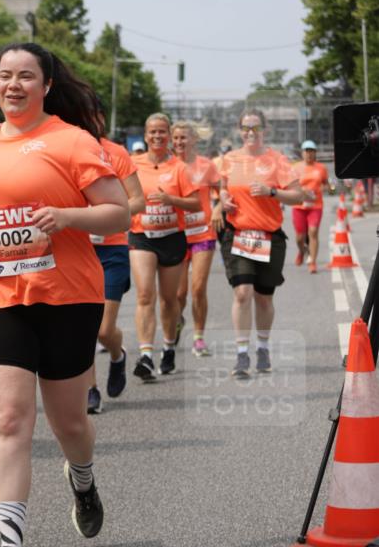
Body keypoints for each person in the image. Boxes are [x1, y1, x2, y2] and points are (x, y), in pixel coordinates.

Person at [0, 42, 129, 547]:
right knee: (9, 420)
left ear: (46, 86)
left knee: (70, 424)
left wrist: (67, 215)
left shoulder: (72, 141)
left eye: (25, 76)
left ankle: (83, 481)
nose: (13, 85)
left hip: (66, 297)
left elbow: (118, 211)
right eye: (5, 75)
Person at [217, 109, 303, 378]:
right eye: (246, 128)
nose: (250, 133)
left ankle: (263, 347)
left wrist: (272, 192)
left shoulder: (278, 160)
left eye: (255, 128)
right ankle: (242, 354)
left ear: (265, 130)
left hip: (269, 236)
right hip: (238, 234)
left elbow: (298, 196)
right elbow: (222, 187)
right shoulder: (230, 159)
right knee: (242, 293)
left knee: (264, 299)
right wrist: (223, 198)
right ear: (239, 130)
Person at [129, 114, 201, 380]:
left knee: (169, 300)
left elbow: (196, 203)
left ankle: (169, 347)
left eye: (162, 132)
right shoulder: (133, 164)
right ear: (145, 136)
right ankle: (146, 355)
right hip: (142, 236)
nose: (157, 136)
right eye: (152, 132)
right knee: (144, 295)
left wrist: (171, 199)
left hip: (172, 237)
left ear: (168, 136)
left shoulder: (179, 167)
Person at [87, 112, 145, 413]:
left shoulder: (115, 153)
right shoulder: (63, 150)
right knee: (83, 327)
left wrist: (108, 215)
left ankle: (117, 355)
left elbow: (138, 200)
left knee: (103, 329)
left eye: (91, 115)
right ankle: (90, 390)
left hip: (112, 251)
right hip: (78, 250)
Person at [172, 121, 220, 357]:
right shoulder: (169, 166)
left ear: (194, 140)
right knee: (178, 294)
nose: (179, 142)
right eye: (176, 138)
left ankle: (199, 338)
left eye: (184, 137)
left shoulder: (207, 166)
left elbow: (223, 191)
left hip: (203, 233)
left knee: (198, 288)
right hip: (176, 235)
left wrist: (219, 207)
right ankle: (177, 320)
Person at [291, 140, 330, 274]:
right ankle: (302, 251)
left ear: (315, 153)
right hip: (299, 206)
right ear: (302, 153)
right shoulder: (296, 167)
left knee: (313, 232)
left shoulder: (321, 168)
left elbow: (326, 184)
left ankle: (312, 262)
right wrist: (301, 191)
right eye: (307, 151)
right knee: (299, 237)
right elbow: (291, 185)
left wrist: (322, 189)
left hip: (315, 205)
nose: (309, 154)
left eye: (312, 151)